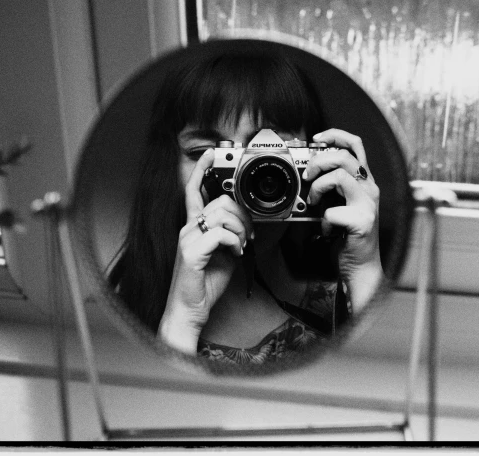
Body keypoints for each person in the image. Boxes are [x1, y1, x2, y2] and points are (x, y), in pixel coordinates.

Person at [110, 51, 383, 365]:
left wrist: (364, 271)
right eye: (204, 152)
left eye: (268, 154)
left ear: (314, 159)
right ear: (168, 169)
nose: (247, 179)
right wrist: (182, 319)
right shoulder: (118, 312)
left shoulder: (341, 299)